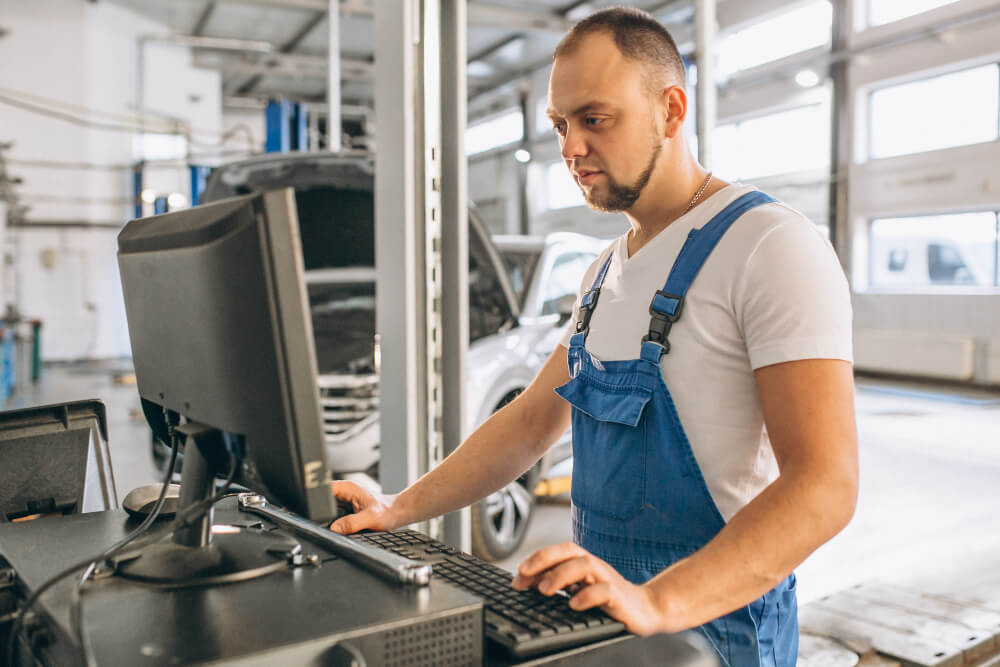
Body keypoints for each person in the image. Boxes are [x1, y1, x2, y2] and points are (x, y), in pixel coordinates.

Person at [329, 7, 858, 666]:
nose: (570, 148)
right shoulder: (602, 271)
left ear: (670, 109)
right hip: (603, 617)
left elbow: (825, 484)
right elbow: (529, 423)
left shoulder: (772, 246)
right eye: (560, 124)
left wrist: (659, 601)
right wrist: (398, 506)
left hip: (713, 631)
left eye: (595, 119)